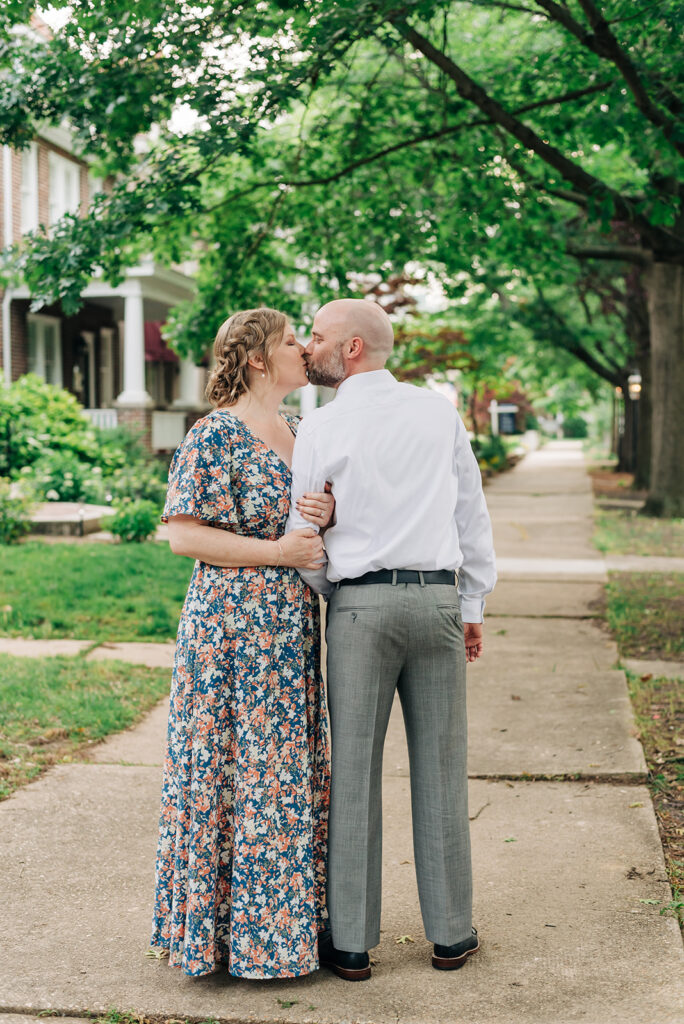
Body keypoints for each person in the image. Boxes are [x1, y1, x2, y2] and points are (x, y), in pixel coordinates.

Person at [286, 298, 497, 981]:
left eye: (317, 337)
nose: (308, 347)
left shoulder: (323, 423)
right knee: (441, 769)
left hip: (359, 608)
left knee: (353, 775)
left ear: (351, 349)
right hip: (436, 599)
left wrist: (338, 596)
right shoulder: (437, 411)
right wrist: (471, 604)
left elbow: (303, 533)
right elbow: (471, 508)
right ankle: (451, 935)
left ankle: (351, 943)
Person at [150, 307, 335, 980]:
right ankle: (223, 939)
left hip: (288, 633)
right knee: (233, 773)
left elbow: (314, 529)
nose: (304, 350)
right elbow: (183, 535)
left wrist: (327, 516)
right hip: (228, 632)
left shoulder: (304, 430)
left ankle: (283, 935)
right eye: (292, 341)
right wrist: (278, 550)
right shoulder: (215, 434)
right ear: (258, 358)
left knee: (281, 775)